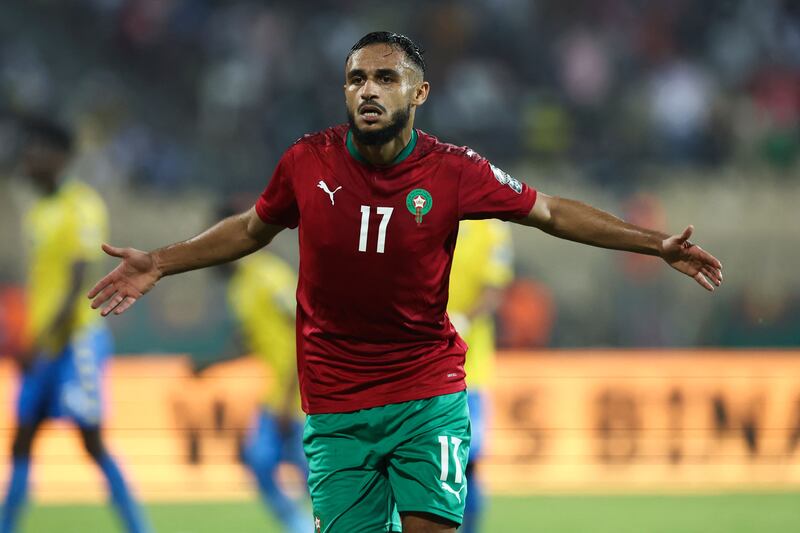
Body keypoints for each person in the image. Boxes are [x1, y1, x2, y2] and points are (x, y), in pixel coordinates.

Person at [87, 32, 723, 533]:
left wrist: (653, 244)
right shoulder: (307, 162)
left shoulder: (454, 171)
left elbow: (551, 211)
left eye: (386, 77)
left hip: (427, 394)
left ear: (419, 94)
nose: (368, 89)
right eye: (357, 78)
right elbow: (252, 229)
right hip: (335, 405)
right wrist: (162, 261)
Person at [2, 119, 151, 533]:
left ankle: (141, 528)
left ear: (59, 157)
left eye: (36, 151)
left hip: (75, 342)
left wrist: (44, 337)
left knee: (91, 440)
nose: (27, 159)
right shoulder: (38, 211)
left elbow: (78, 278)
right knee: (21, 440)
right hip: (44, 344)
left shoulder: (81, 205)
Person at [213, 240, 311, 532]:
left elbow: (304, 327)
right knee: (259, 459)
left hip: (301, 392)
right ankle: (299, 525)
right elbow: (251, 338)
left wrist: (289, 396)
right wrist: (212, 363)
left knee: (314, 473)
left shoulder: (268, 276)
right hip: (277, 393)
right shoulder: (238, 289)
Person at [447, 219, 513, 533]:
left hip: (469, 369)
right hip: (418, 362)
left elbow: (494, 290)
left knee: (468, 462)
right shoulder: (422, 204)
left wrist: (463, 320)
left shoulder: (492, 228)